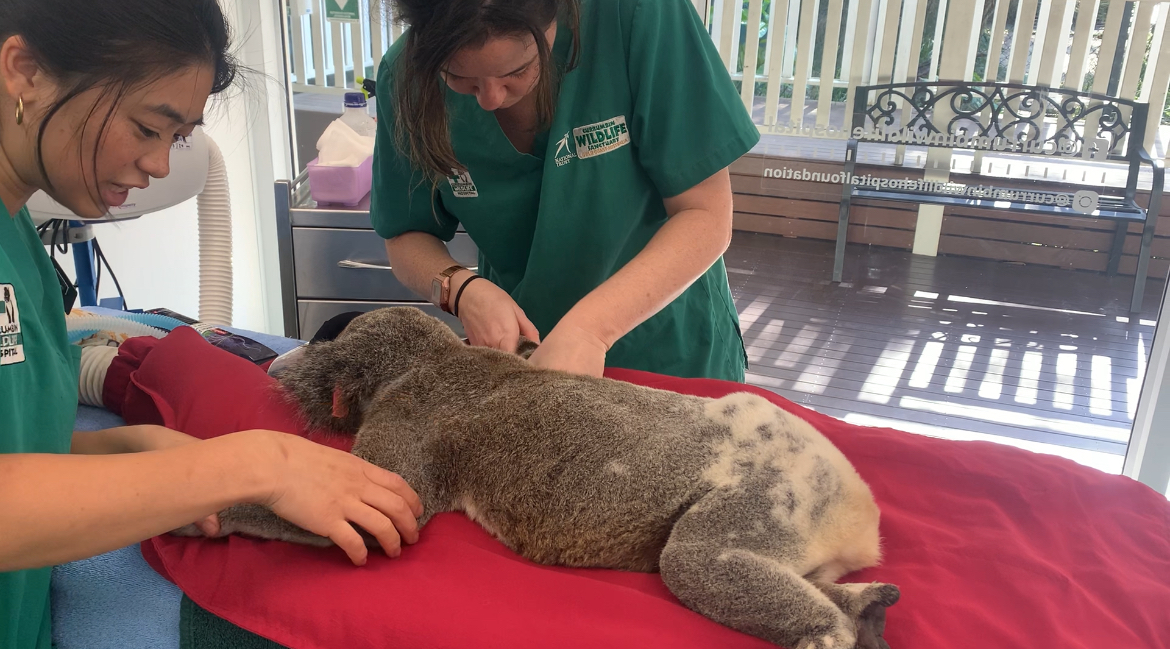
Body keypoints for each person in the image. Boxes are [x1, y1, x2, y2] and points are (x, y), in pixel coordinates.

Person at [0, 3, 422, 648]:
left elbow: (20, 447)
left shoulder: (19, 240)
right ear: (25, 70)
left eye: (177, 140)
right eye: (147, 128)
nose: (160, 166)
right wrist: (255, 464)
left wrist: (129, 449)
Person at [372, 0, 760, 381]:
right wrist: (461, 289)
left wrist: (591, 330)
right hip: (528, 354)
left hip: (667, 349)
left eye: (518, 70)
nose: (490, 99)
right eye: (460, 79)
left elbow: (705, 215)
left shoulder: (637, 13)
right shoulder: (406, 76)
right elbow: (406, 234)